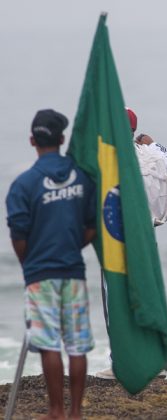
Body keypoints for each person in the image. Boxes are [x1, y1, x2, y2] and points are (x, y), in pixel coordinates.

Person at [6, 109, 96, 419]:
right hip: (73, 270)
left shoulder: (24, 184)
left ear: (32, 140)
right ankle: (75, 413)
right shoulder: (82, 177)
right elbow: (92, 226)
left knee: (49, 344)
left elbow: (18, 234)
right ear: (61, 139)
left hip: (40, 273)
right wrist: (71, 247)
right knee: (77, 343)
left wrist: (30, 264)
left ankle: (55, 410)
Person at [96, 107, 167, 380]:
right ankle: (158, 363)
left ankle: (121, 363)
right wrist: (154, 144)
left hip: (116, 239)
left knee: (116, 302)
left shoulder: (105, 156)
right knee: (146, 296)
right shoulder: (148, 153)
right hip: (145, 236)